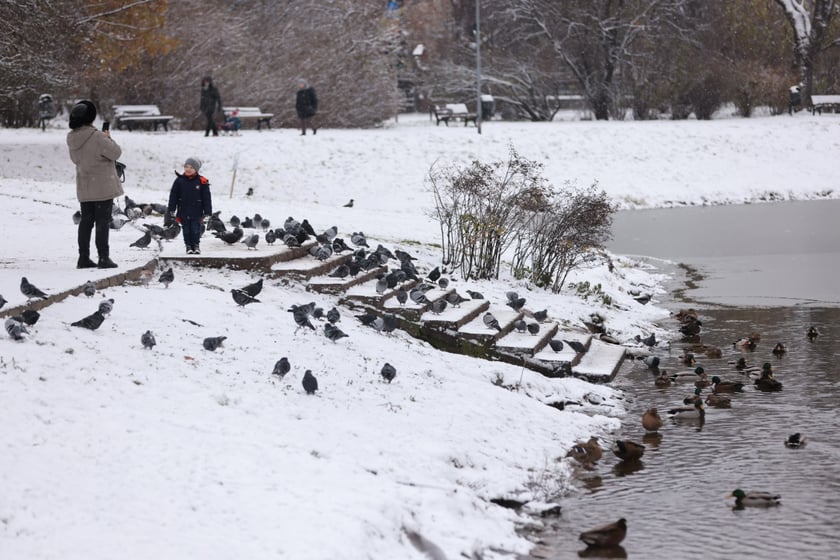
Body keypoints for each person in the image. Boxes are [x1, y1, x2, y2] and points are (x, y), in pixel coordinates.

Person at [66, 100, 123, 269]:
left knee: (86, 222)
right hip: (102, 186)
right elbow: (116, 153)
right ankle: (103, 258)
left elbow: (75, 159)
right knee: (102, 222)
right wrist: (108, 138)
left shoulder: (72, 138)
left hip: (85, 185)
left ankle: (83, 257)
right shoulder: (97, 136)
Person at [168, 157, 212, 254]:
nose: (188, 169)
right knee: (186, 230)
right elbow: (173, 195)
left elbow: (206, 198)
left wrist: (207, 211)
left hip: (197, 211)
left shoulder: (201, 181)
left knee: (196, 229)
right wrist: (171, 208)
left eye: (191, 167)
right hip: (183, 210)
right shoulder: (179, 181)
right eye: (186, 166)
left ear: (196, 169)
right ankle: (188, 246)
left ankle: (196, 245)